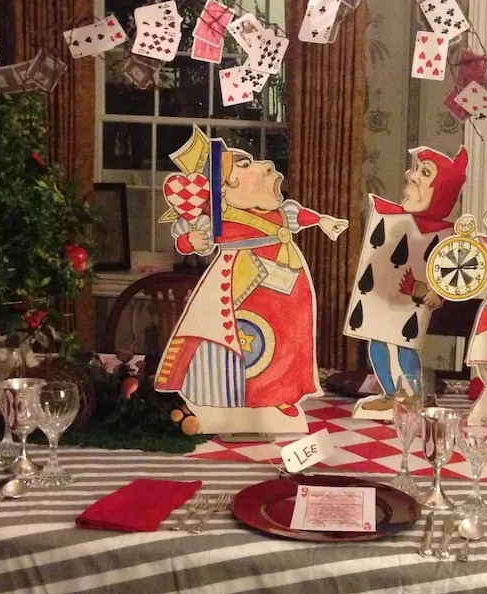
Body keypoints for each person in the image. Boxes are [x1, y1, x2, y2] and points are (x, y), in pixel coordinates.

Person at [156, 147, 347, 434]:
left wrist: (322, 220)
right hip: (242, 284)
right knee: (246, 342)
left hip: (289, 289)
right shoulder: (218, 216)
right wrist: (190, 241)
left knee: (291, 342)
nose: (266, 164)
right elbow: (190, 240)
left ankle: (282, 396)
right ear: (226, 186)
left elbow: (298, 216)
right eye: (245, 165)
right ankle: (231, 401)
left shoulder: (279, 213)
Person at [344, 146, 468, 413]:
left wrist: (439, 292)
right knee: (377, 341)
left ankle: (412, 395)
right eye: (416, 170)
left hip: (413, 303)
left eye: (425, 173)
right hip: (381, 297)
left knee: (405, 345)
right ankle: (390, 394)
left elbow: (453, 272)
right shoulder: (390, 219)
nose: (411, 176)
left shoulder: (447, 236)